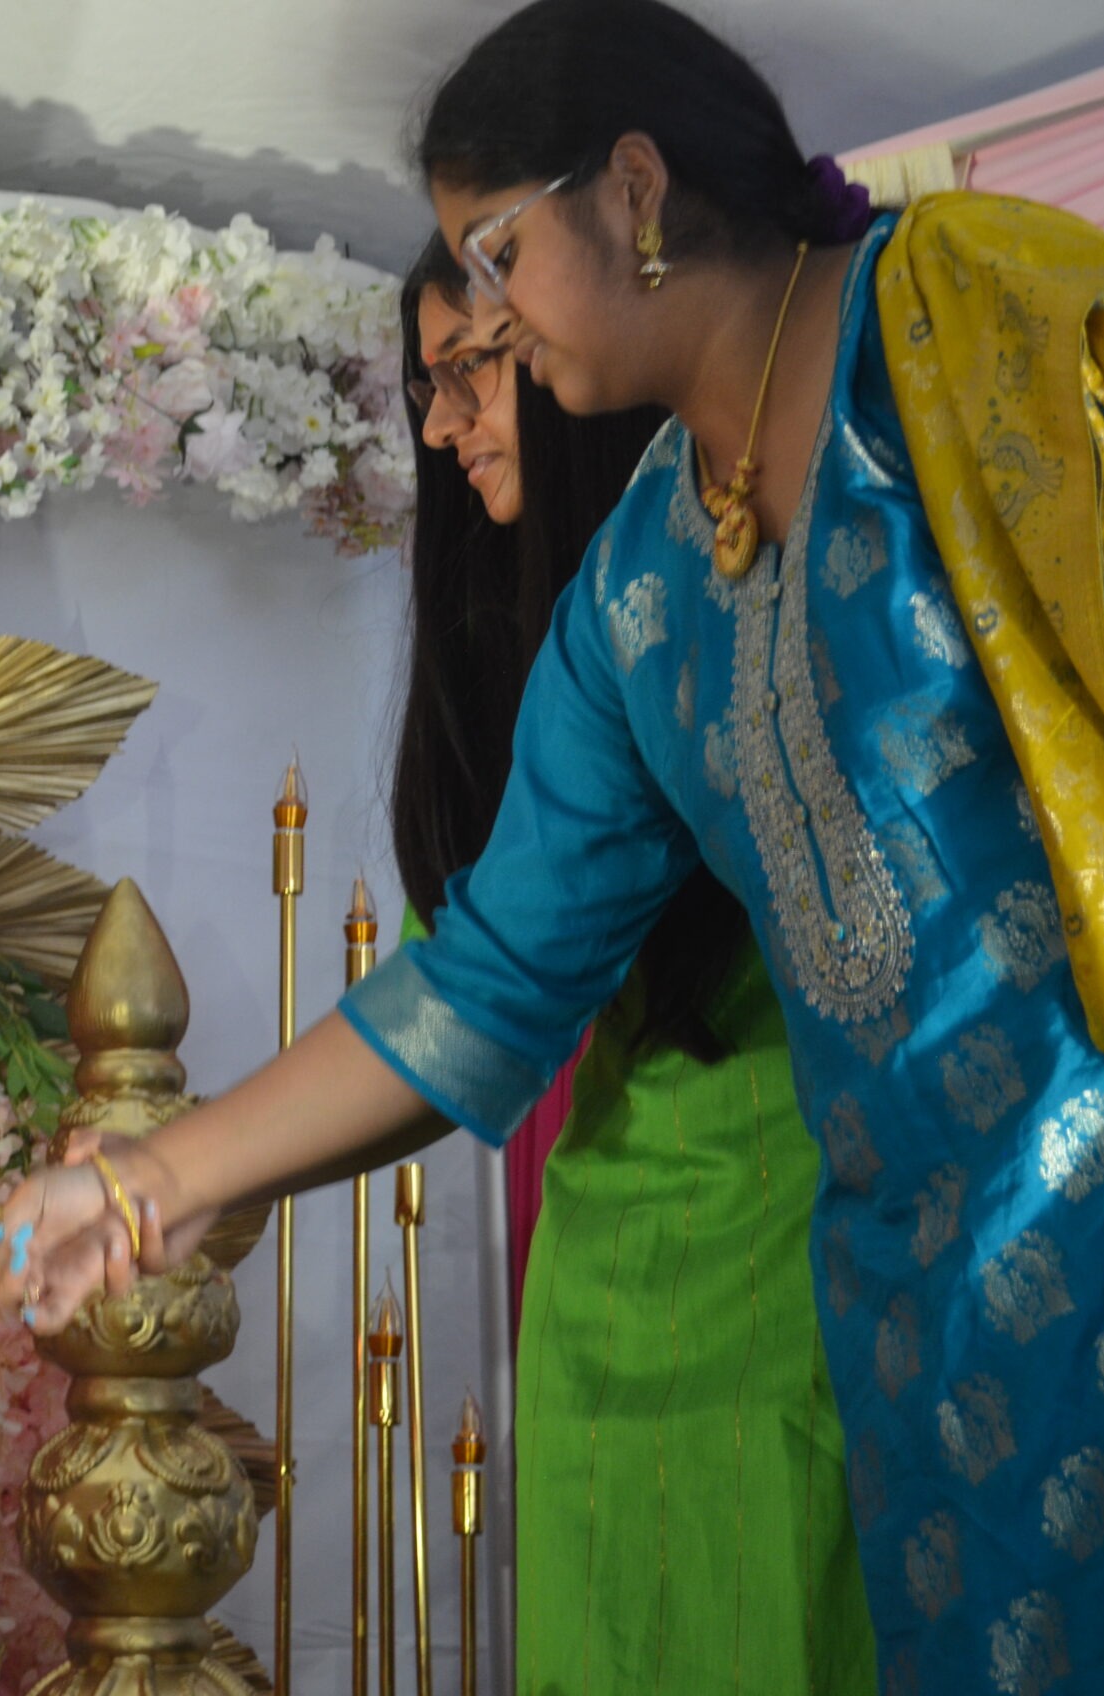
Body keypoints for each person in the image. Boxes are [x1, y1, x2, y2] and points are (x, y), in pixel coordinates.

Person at [0, 3, 1104, 1690]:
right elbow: (491, 977)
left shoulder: (958, 306)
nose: (484, 313)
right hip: (928, 1350)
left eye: (500, 250)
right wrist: (157, 1181)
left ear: (634, 190)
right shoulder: (640, 589)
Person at [396, 233, 872, 1694]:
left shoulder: (772, 580)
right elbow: (474, 983)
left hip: (805, 1237)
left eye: (478, 368)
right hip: (608, 1266)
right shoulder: (531, 636)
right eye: (428, 385)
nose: (444, 423)